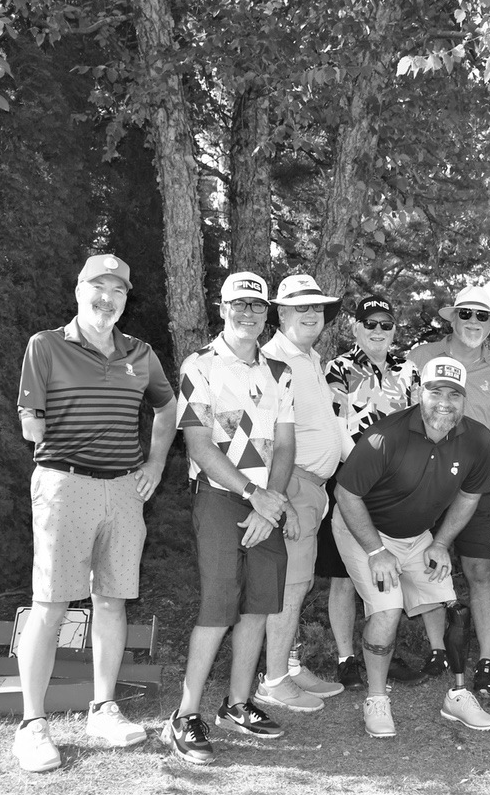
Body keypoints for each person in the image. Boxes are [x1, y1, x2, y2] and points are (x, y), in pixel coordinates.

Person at [13, 254, 176, 773]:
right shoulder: (45, 346)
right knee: (51, 603)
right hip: (65, 483)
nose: (107, 300)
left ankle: (103, 709)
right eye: (98, 288)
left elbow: (168, 407)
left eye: (118, 292)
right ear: (79, 289)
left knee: (111, 600)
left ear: (127, 299)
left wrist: (154, 461)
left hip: (125, 490)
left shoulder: (141, 353)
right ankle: (32, 725)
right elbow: (30, 426)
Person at [167, 271, 296, 765]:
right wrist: (253, 493)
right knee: (218, 604)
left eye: (257, 307)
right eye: (238, 305)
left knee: (259, 605)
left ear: (267, 314)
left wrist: (273, 500)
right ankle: (184, 715)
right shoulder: (199, 365)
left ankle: (238, 704)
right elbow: (198, 443)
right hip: (221, 497)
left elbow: (285, 445)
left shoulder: (279, 371)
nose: (248, 314)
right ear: (222, 308)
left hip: (267, 501)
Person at [333, 357, 490, 736]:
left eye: (454, 394)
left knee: (451, 604)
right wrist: (376, 552)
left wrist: (441, 543)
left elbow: (470, 496)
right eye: (435, 391)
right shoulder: (385, 436)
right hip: (364, 530)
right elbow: (346, 494)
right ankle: (376, 699)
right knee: (388, 611)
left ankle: (457, 696)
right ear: (417, 393)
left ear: (464, 399)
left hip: (414, 535)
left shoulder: (477, 438)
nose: (445, 402)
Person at [407, 285, 490, 699]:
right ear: (452, 319)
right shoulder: (421, 357)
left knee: (479, 569)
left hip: (473, 485)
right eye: (465, 315)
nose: (473, 323)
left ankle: (486, 659)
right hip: (421, 480)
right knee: (427, 565)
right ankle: (437, 650)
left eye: (482, 317)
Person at [255, 275, 349, 713]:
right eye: (299, 307)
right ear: (281, 313)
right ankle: (273, 681)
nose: (312, 314)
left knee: (301, 582)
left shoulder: (310, 358)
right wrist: (284, 499)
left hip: (313, 488)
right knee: (290, 588)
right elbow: (267, 439)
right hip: (292, 484)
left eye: (317, 308)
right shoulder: (273, 359)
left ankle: (289, 668)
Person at [322, 295, 425, 688]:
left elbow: (419, 422)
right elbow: (338, 426)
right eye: (370, 324)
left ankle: (383, 650)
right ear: (355, 327)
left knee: (384, 569)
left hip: (397, 489)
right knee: (343, 576)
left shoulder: (409, 370)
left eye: (386, 324)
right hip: (351, 482)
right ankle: (347, 658)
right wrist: (366, 472)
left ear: (394, 329)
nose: (378, 331)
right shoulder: (339, 368)